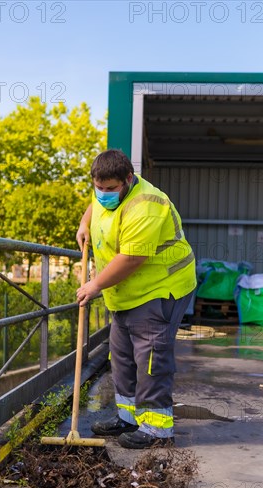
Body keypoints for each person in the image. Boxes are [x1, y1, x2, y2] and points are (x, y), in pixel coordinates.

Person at [76, 149, 196, 449]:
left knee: (150, 358)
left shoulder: (145, 205)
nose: (103, 194)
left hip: (159, 288)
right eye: (98, 187)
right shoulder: (106, 190)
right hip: (127, 292)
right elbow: (94, 207)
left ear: (128, 179)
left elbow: (131, 258)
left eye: (110, 189)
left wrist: (94, 286)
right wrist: (83, 224)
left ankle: (156, 430)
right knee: (122, 357)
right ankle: (128, 418)